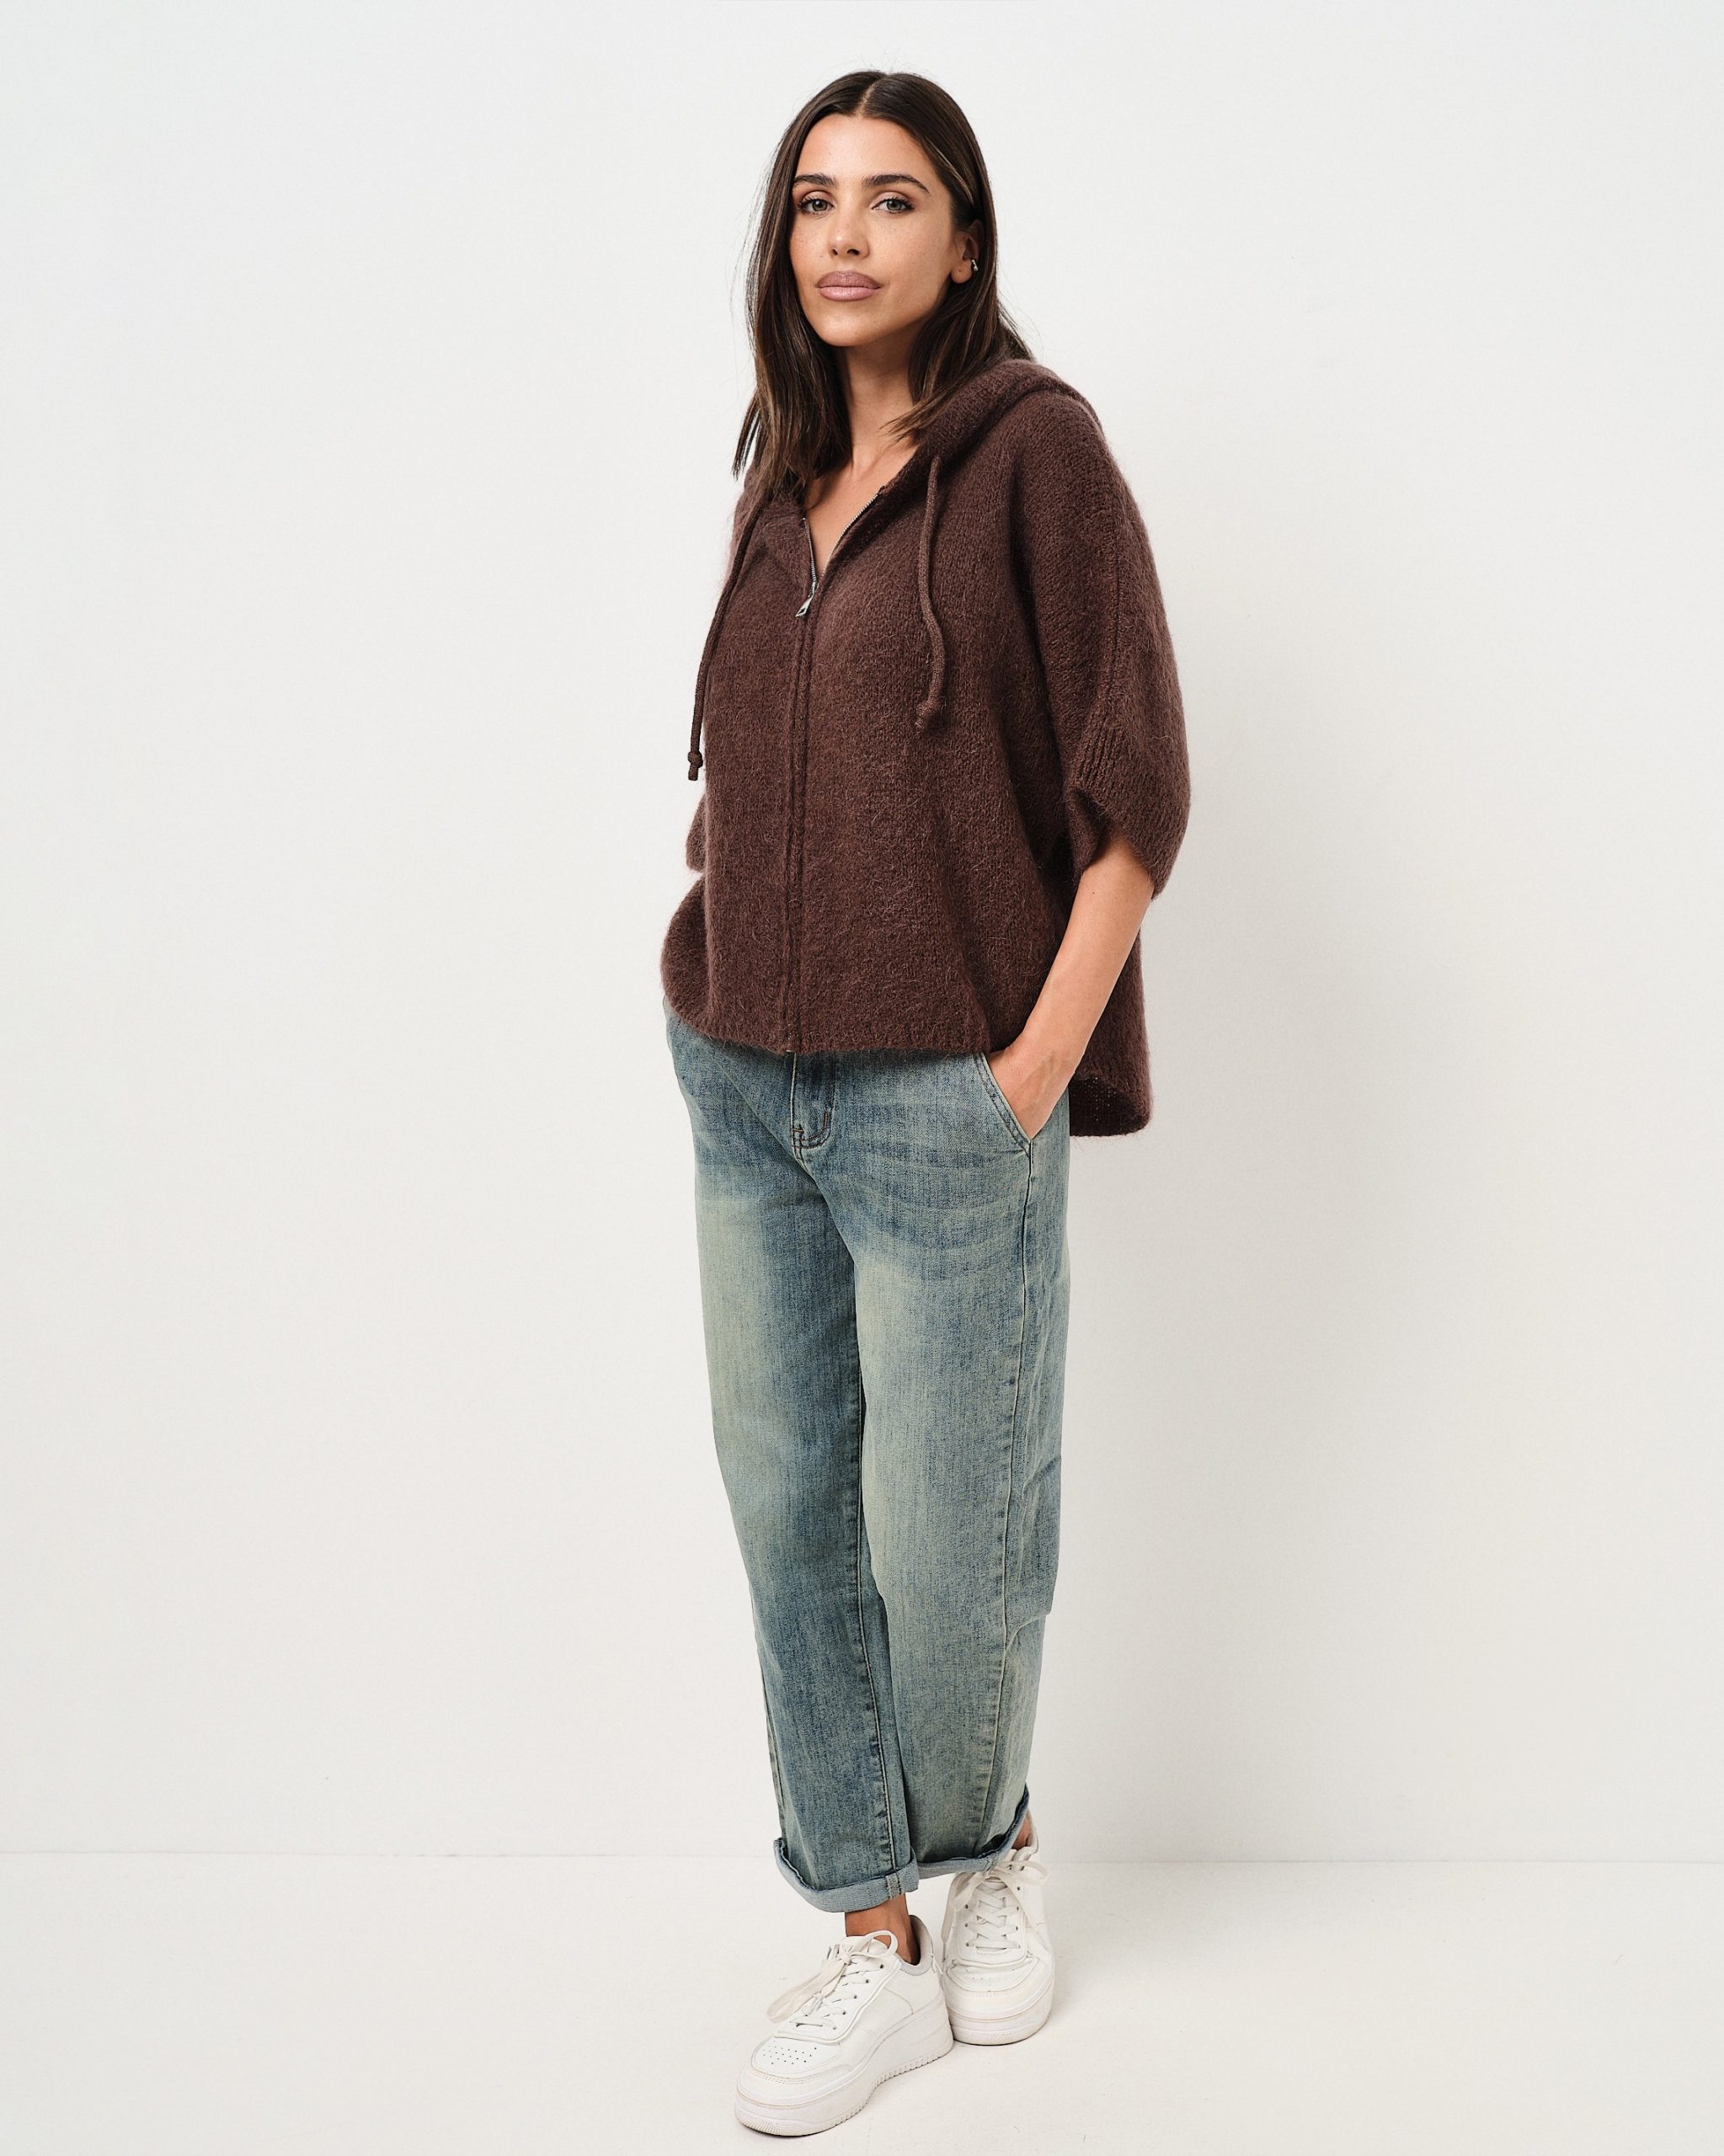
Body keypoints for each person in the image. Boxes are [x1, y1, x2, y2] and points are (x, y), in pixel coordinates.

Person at [660, 68, 1192, 2138]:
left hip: (943, 1097)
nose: (846, 234)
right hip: (744, 1081)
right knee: (790, 1508)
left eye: (893, 198)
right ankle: (871, 1925)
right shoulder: (780, 466)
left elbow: (1135, 789)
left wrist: (1028, 1066)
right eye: (815, 198)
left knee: (949, 1533)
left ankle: (991, 1844)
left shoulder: (1037, 453)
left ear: (963, 237)